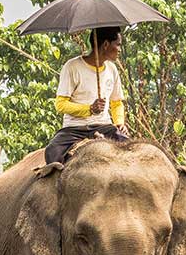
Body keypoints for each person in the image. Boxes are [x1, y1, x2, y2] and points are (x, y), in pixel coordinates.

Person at [43, 26, 129, 164]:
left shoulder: (112, 69)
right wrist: (89, 109)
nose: (119, 49)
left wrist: (119, 122)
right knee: (52, 151)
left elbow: (117, 102)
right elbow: (60, 105)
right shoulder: (72, 67)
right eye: (118, 44)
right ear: (106, 44)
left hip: (104, 126)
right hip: (74, 129)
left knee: (130, 148)